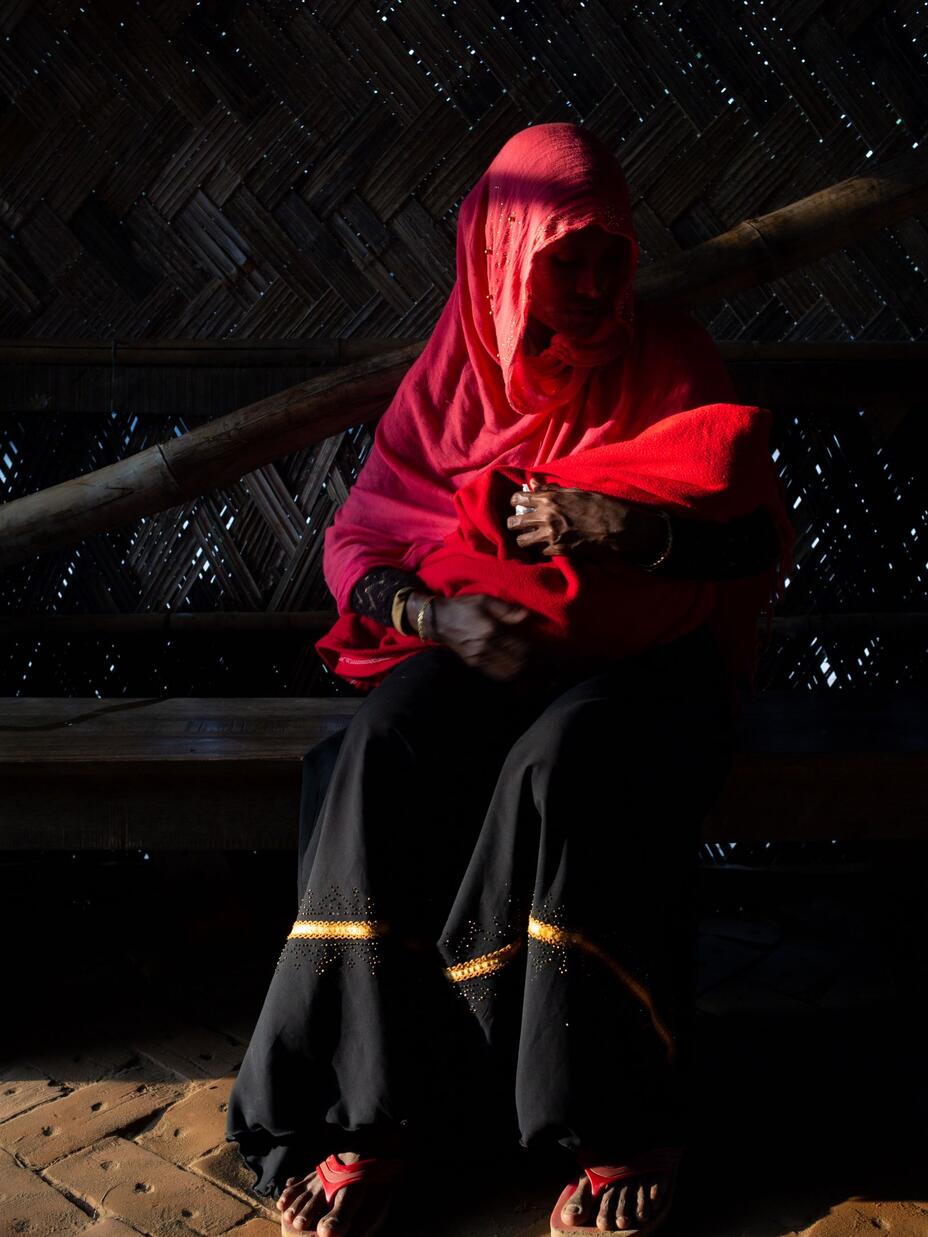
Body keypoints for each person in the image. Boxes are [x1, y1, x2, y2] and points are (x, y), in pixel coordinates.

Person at [227, 123, 793, 1237]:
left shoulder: (669, 360)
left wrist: (625, 528)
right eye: (560, 261)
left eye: (606, 259)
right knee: (382, 742)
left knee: (569, 762)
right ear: (499, 261)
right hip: (497, 647)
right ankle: (376, 1112)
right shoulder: (449, 384)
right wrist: (438, 617)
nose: (589, 287)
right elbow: (357, 550)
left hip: (646, 665)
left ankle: (616, 1119)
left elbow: (756, 541)